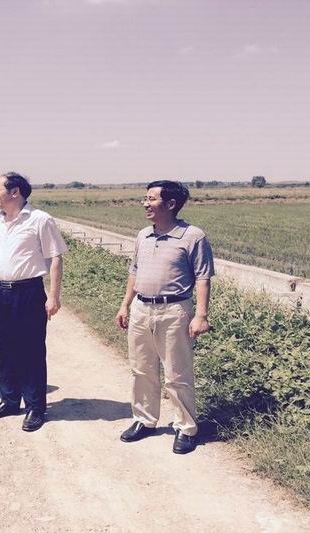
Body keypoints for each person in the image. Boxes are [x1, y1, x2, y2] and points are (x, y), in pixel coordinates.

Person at [115, 180, 214, 454]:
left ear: (171, 204)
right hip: (141, 309)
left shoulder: (193, 236)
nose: (145, 204)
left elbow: (203, 278)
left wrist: (201, 315)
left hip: (174, 311)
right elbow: (134, 272)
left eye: (151, 199)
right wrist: (125, 305)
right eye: (145, 198)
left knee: (177, 372)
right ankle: (144, 420)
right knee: (141, 368)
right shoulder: (143, 235)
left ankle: (186, 427)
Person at [0, 172, 67, 432]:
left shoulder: (40, 219)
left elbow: (55, 258)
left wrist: (54, 295)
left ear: (15, 192)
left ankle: (35, 407)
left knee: (31, 350)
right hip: (0, 291)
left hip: (28, 292)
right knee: (6, 348)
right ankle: (9, 400)